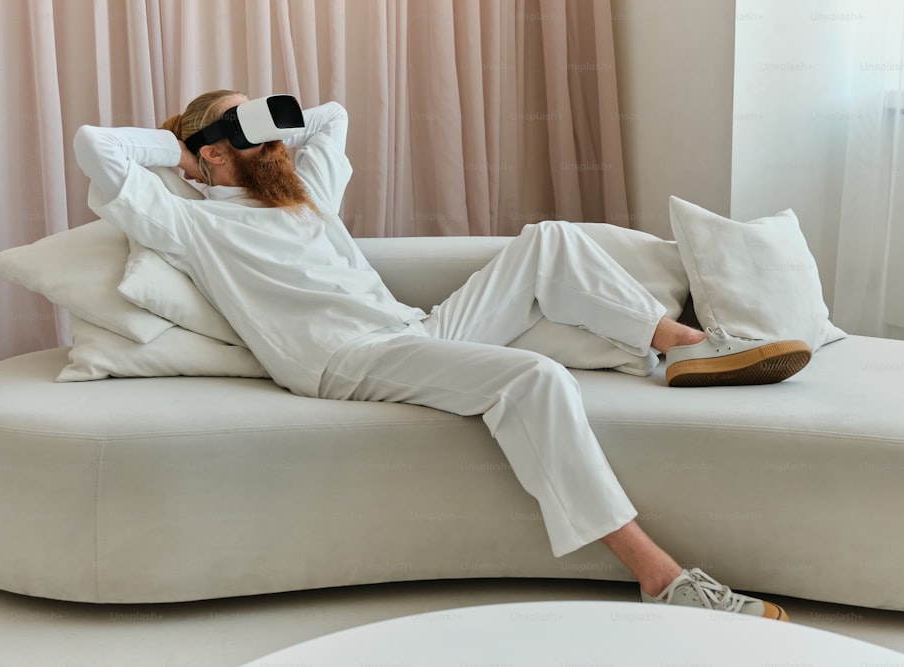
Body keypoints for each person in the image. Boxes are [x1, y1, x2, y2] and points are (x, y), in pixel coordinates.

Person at [74, 89, 811, 622]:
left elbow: (333, 114)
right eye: (249, 134)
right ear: (210, 155)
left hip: (412, 330)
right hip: (345, 359)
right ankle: (660, 575)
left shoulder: (303, 194)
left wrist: (267, 121)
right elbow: (95, 148)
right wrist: (179, 147)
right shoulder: (189, 221)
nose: (271, 145)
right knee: (532, 378)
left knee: (549, 242)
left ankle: (682, 346)